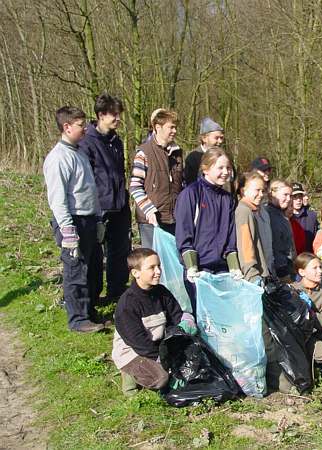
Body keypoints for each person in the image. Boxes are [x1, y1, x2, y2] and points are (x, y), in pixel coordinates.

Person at [43, 106, 105, 333]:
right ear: (67, 127)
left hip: (89, 221)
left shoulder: (80, 153)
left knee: (94, 270)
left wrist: (98, 219)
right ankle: (78, 320)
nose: (86, 128)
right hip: (72, 222)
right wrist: (68, 231)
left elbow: (90, 190)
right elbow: (57, 199)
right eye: (81, 125)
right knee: (76, 271)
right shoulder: (58, 158)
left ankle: (90, 313)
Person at [112, 248, 197, 397]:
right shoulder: (127, 304)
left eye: (158, 266)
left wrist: (187, 322)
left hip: (159, 346)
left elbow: (176, 317)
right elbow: (139, 343)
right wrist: (166, 362)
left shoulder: (162, 292)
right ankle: (128, 374)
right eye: (151, 268)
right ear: (135, 273)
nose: (158, 271)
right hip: (134, 352)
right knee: (162, 378)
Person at [79, 93, 131, 302]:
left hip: (119, 205)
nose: (118, 119)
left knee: (120, 252)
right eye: (114, 115)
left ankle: (117, 292)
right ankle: (91, 297)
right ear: (101, 115)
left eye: (119, 115)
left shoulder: (116, 141)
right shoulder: (87, 142)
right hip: (99, 207)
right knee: (94, 255)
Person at [175, 148, 241, 307]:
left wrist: (234, 268)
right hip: (198, 271)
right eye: (220, 168)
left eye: (228, 168)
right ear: (205, 168)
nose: (225, 172)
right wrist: (191, 267)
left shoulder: (228, 199)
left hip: (221, 270)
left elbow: (231, 236)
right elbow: (184, 234)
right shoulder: (190, 194)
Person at [130, 109, 183, 249]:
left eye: (176, 127)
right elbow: (135, 186)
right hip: (151, 221)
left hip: (174, 219)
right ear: (158, 127)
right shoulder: (143, 153)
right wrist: (149, 210)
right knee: (152, 264)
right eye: (171, 127)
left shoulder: (178, 153)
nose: (175, 131)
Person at [235, 171, 269, 283]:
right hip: (253, 277)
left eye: (262, 191)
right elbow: (246, 246)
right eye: (257, 190)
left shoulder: (254, 211)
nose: (261, 194)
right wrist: (253, 276)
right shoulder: (244, 212)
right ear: (243, 190)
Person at [265, 180, 296, 280]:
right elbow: (276, 246)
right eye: (285, 195)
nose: (288, 199)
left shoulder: (281, 214)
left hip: (288, 267)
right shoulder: (271, 216)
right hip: (281, 272)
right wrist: (283, 272)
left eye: (290, 196)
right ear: (272, 194)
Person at [184, 117, 225, 186]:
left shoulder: (224, 157)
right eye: (216, 138)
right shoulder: (193, 158)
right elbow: (191, 185)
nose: (220, 141)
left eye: (221, 138)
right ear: (204, 138)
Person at [291, 182, 318, 252]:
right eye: (295, 197)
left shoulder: (312, 216)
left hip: (308, 256)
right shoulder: (286, 217)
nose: (298, 200)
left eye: (300, 196)